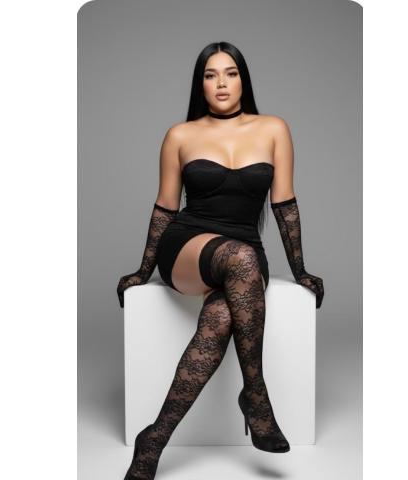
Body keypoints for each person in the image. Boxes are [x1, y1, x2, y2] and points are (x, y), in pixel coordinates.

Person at [116, 41, 324, 480]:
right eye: (211, 75)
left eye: (230, 73)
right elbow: (165, 208)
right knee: (240, 257)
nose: (222, 83)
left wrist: (300, 270)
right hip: (187, 246)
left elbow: (284, 205)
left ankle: (154, 438)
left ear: (243, 80)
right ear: (201, 85)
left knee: (223, 312)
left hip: (245, 251)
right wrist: (142, 271)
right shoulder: (180, 135)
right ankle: (256, 394)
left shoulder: (273, 129)